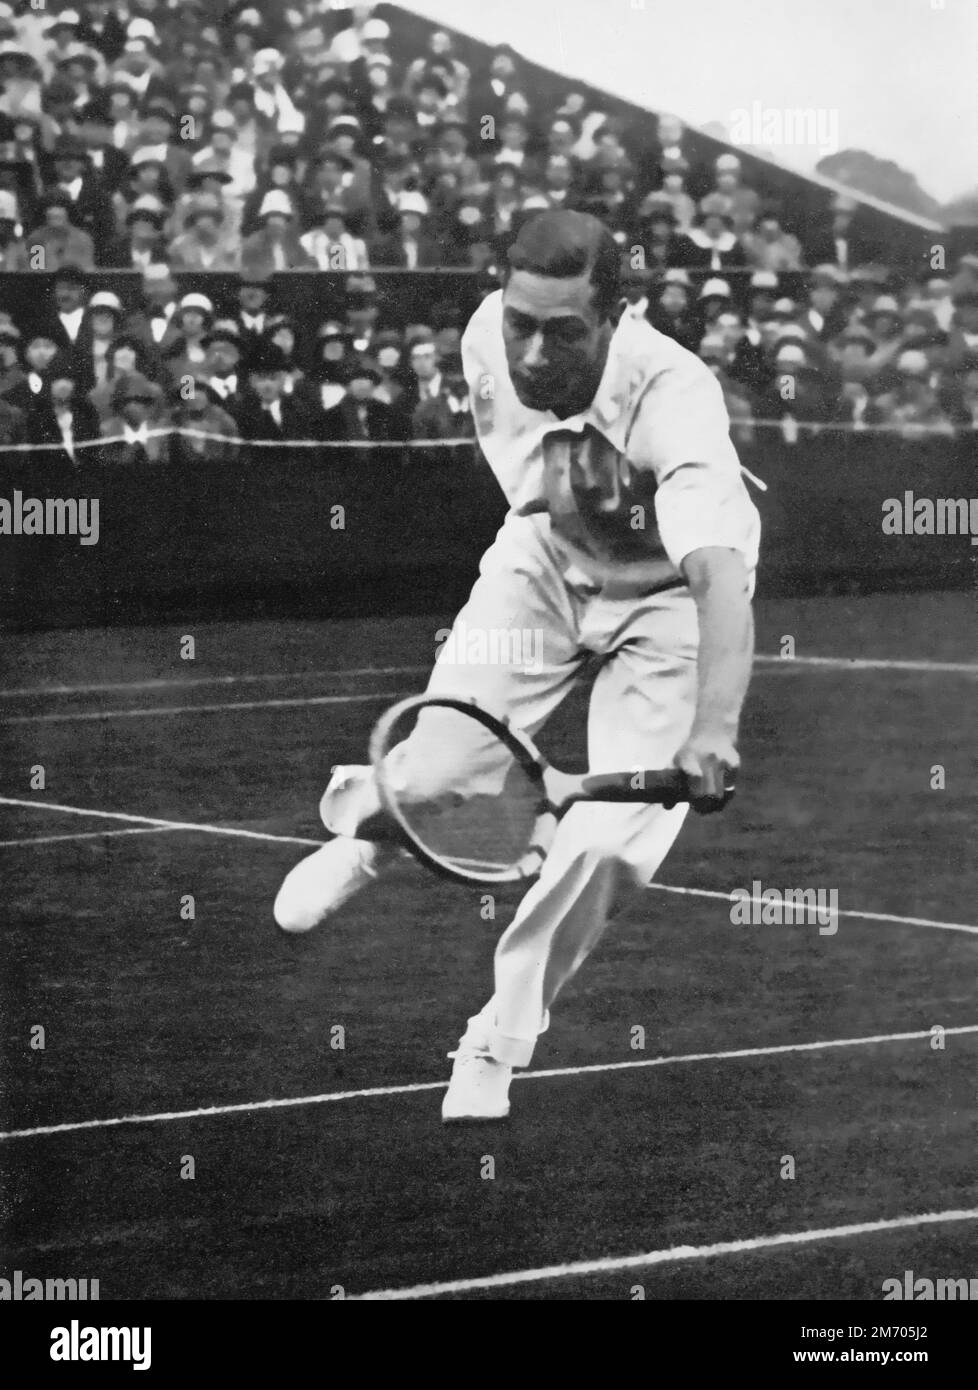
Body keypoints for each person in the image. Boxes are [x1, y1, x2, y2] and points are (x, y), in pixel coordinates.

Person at [273, 210, 759, 1123]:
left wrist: (715, 727)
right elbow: (543, 486)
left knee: (610, 846)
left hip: (670, 604)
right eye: (521, 324)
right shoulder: (480, 339)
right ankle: (372, 834)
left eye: (564, 331)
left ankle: (498, 1037)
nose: (534, 354)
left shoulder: (676, 394)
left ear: (619, 317)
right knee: (445, 770)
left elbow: (719, 577)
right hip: (547, 559)